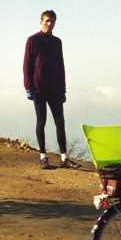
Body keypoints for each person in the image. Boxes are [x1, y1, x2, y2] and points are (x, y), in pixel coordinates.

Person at [23, 10, 80, 169]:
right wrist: (28, 87)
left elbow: (61, 66)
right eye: (47, 21)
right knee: (41, 121)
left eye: (52, 21)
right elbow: (27, 65)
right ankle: (43, 157)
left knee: (60, 122)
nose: (49, 24)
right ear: (40, 22)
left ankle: (64, 158)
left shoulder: (57, 42)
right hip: (38, 88)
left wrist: (63, 89)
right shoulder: (33, 40)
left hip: (55, 88)